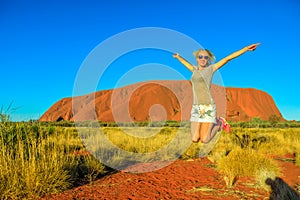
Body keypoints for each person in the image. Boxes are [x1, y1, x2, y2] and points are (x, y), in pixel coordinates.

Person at [173, 43, 260, 143]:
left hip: (208, 107)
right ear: (197, 58)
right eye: (200, 57)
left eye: (206, 57)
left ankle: (220, 123)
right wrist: (178, 57)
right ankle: (217, 124)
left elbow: (228, 58)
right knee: (194, 139)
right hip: (196, 107)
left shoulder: (211, 69)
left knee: (205, 140)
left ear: (208, 59)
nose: (203, 59)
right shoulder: (194, 70)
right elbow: (185, 63)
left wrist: (245, 49)